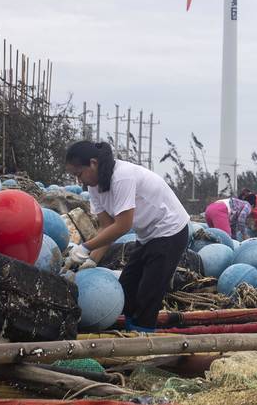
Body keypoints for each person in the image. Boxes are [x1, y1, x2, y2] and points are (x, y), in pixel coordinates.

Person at [64, 141, 189, 333]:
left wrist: (85, 248)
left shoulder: (121, 176)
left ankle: (142, 346)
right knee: (126, 289)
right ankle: (130, 332)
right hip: (147, 235)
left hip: (170, 231)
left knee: (148, 294)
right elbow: (107, 228)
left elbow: (122, 225)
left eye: (79, 174)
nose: (79, 181)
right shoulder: (94, 187)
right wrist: (91, 262)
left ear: (93, 163)